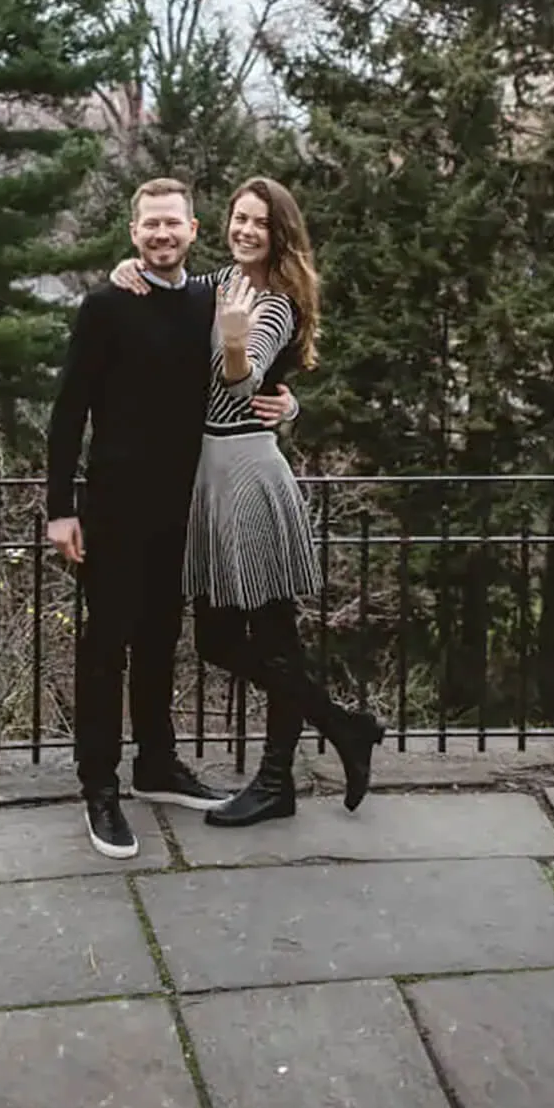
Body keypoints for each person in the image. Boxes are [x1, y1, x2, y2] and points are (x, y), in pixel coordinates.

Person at [111, 176, 383, 827]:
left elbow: (247, 372)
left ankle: (277, 779)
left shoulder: (274, 302)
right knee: (222, 639)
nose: (246, 230)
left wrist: (237, 346)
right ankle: (342, 726)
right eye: (239, 218)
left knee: (270, 633)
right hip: (213, 473)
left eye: (260, 222)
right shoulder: (218, 284)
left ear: (278, 231)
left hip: (247, 475)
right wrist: (130, 269)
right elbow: (169, 290)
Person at [45, 177, 297, 859]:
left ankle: (156, 763)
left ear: (193, 229)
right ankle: (99, 785)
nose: (161, 235)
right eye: (149, 225)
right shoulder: (105, 305)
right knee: (106, 647)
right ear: (135, 234)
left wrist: (288, 402)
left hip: (183, 506)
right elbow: (68, 411)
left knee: (161, 640)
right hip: (114, 508)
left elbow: (242, 376)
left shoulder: (209, 301)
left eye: (172, 224)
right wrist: (60, 509)